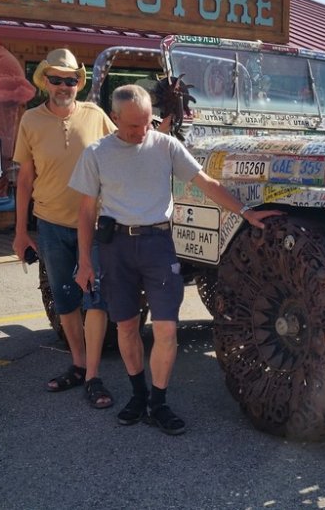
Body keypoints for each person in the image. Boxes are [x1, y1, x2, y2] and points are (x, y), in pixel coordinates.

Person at [69, 84, 282, 435]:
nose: (142, 131)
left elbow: (205, 182)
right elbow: (85, 212)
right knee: (126, 326)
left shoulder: (165, 145)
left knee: (167, 328)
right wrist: (85, 261)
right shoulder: (97, 153)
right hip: (116, 247)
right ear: (115, 118)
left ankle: (158, 403)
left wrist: (245, 212)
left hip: (158, 244)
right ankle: (138, 395)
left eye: (147, 122)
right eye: (133, 125)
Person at [12, 48, 116, 408]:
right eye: (56, 79)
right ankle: (79, 364)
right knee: (66, 299)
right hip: (51, 224)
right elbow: (25, 179)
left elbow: (123, 149)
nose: (63, 86)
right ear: (45, 81)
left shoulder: (96, 116)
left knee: (96, 300)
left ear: (78, 83)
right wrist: (20, 232)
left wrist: (155, 133)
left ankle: (93, 376)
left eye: (70, 80)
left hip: (96, 225)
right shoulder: (30, 121)